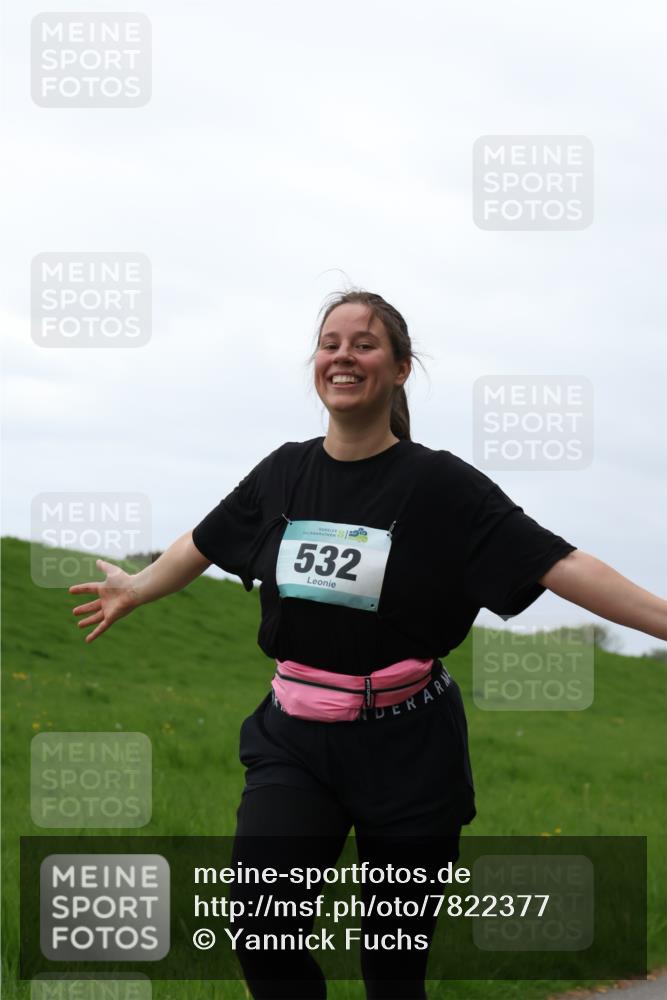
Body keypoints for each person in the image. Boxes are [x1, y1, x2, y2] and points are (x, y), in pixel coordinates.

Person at [69, 290, 667, 1000]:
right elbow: (203, 542)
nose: (342, 356)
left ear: (400, 368)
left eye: (363, 343)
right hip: (294, 740)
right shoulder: (283, 471)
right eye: (330, 342)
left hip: (411, 749)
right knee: (261, 925)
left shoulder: (439, 484)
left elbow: (558, 563)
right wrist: (137, 588)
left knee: (391, 972)